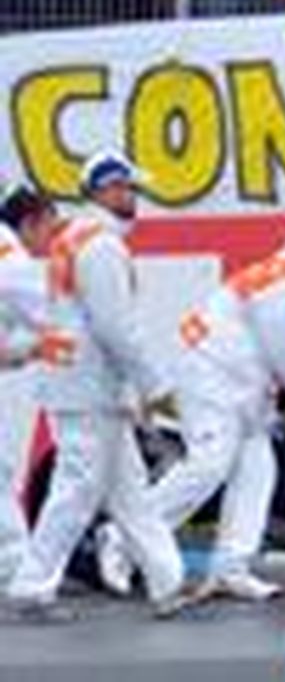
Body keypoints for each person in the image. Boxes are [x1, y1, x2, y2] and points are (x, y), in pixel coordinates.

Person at [108, 212, 285, 602]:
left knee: (257, 468)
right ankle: (122, 537)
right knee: (211, 465)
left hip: (240, 383)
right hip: (210, 374)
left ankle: (231, 568)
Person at [5, 152, 186, 619]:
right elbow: (115, 327)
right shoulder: (101, 244)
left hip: (83, 381)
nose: (135, 197)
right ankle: (32, 587)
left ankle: (169, 584)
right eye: (127, 188)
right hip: (86, 385)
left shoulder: (77, 238)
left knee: (130, 491)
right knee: (79, 488)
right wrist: (155, 387)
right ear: (104, 190)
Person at [0, 184, 48, 587]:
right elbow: (55, 318)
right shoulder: (12, 259)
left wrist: (27, 350)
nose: (51, 239)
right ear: (29, 223)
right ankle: (15, 566)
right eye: (49, 226)